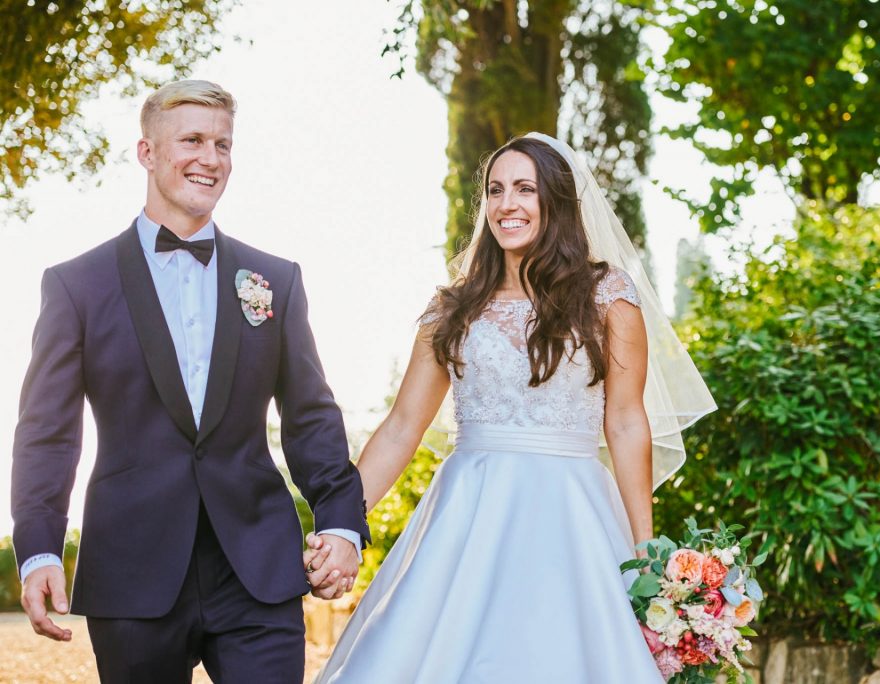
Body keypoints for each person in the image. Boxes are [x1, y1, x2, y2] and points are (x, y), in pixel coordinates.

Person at [310, 133, 716, 683]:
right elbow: (403, 425)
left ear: (558, 201)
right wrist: (342, 525)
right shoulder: (452, 307)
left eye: (526, 189)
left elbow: (624, 420)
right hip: (466, 516)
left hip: (573, 520)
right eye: (496, 190)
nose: (507, 205)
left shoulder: (608, 296)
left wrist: (644, 548)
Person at [11, 79, 369, 683]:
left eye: (223, 144)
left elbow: (310, 414)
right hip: (132, 568)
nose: (211, 158)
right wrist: (39, 548)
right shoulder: (76, 285)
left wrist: (339, 523)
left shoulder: (275, 280)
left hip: (255, 568)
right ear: (147, 153)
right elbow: (47, 434)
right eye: (193, 140)